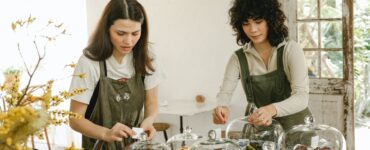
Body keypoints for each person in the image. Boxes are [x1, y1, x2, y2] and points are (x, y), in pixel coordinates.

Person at [69, 0, 165, 149]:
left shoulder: (147, 57)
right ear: (106, 29)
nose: (128, 41)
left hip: (135, 145)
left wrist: (149, 120)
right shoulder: (89, 62)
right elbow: (75, 119)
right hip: (99, 144)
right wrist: (106, 133)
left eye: (135, 33)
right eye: (120, 33)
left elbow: (151, 102)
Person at [213, 0, 312, 131]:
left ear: (270, 20)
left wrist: (271, 109)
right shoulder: (238, 58)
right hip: (262, 134)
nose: (253, 29)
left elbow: (302, 97)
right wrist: (221, 107)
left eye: (258, 22)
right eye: (246, 24)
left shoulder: (290, 50)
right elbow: (224, 93)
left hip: (297, 131)